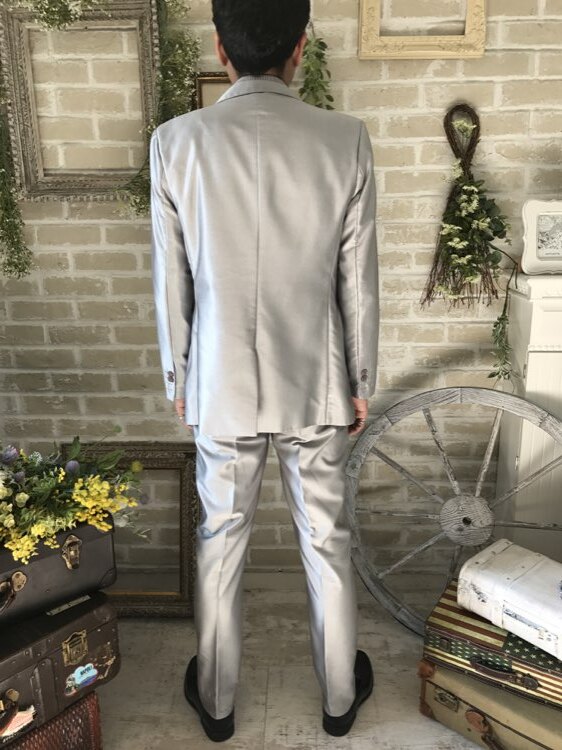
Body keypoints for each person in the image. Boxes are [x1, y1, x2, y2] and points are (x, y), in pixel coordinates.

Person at [150, 0, 379, 742]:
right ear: (300, 47)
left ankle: (216, 705)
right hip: (316, 379)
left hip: (219, 383)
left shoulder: (175, 143)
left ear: (221, 48)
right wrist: (361, 380)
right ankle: (339, 701)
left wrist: (180, 379)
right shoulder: (344, 139)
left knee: (220, 542)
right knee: (327, 542)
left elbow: (172, 282)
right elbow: (357, 280)